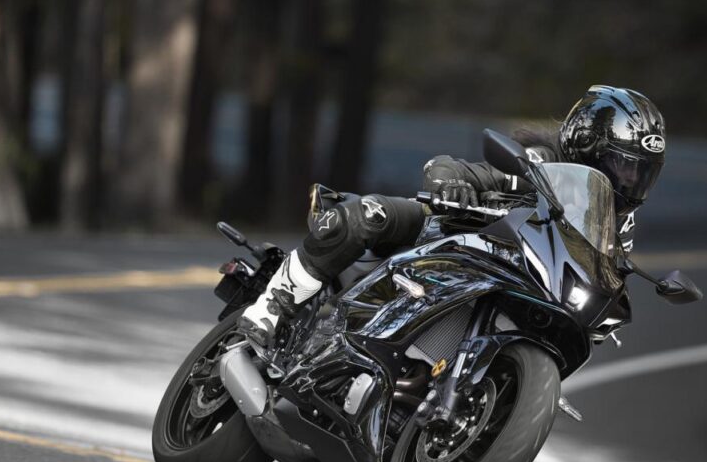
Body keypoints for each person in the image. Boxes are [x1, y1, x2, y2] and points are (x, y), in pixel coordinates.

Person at [238, 85, 666, 345]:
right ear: (587, 146)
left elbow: (601, 276)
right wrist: (451, 185)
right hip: (451, 238)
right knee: (368, 214)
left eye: (640, 172)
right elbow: (452, 167)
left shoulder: (615, 226)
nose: (630, 180)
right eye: (621, 165)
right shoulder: (539, 163)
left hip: (510, 285)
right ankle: (273, 306)